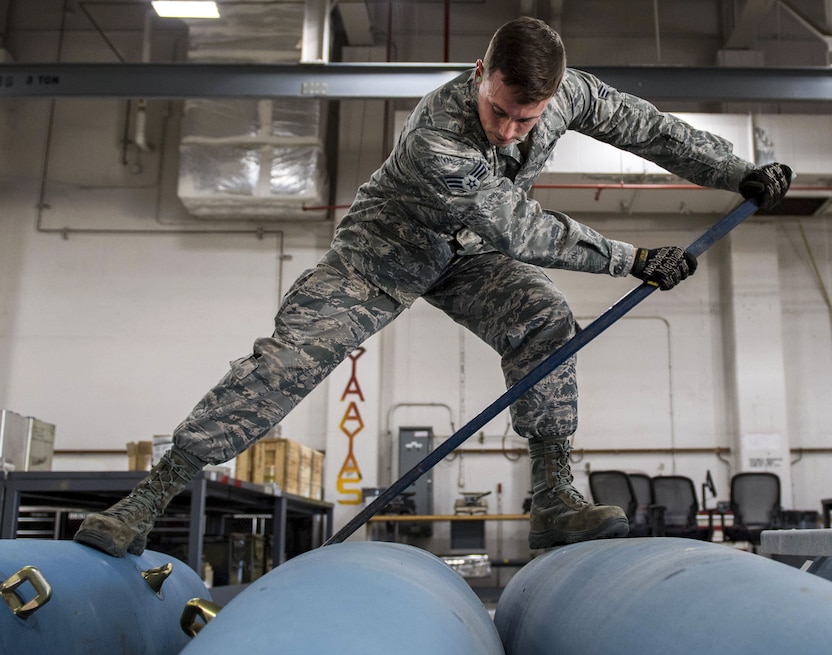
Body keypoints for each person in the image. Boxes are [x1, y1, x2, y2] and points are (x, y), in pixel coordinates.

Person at [76, 16, 791, 557]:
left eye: (528, 118)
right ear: (480, 72)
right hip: (382, 254)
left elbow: (649, 128)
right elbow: (518, 226)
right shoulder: (437, 135)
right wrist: (630, 259)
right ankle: (147, 501)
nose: (512, 131)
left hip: (467, 255)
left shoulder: (569, 94)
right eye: (500, 111)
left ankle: (552, 495)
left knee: (542, 317)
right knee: (289, 360)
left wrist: (734, 171)